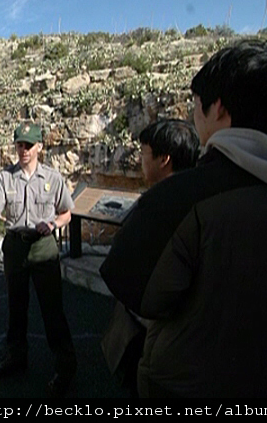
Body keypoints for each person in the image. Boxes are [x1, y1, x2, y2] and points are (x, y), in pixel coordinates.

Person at [100, 39, 267, 397]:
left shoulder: (185, 198)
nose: (194, 116)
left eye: (196, 106)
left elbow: (130, 283)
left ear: (218, 108)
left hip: (190, 382)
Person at [100, 118, 199, 397]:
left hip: (153, 336)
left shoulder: (157, 205)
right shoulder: (206, 200)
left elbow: (119, 270)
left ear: (164, 159)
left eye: (144, 153)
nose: (140, 161)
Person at [0, 122, 77, 397]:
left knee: (52, 309)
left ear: (40, 147)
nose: (23, 150)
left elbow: (66, 213)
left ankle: (65, 366)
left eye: (29, 145)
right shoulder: (5, 178)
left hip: (43, 246)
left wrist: (54, 224)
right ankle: (16, 357)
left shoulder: (53, 177)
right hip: (15, 246)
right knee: (16, 306)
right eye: (19, 145)